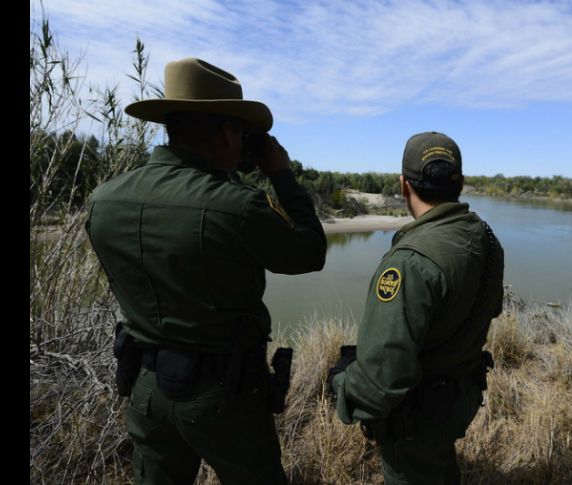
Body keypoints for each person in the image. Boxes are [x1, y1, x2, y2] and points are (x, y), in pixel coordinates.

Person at [85, 58, 326, 484]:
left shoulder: (106, 200)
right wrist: (282, 175)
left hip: (144, 387)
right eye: (240, 132)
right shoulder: (237, 206)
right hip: (223, 395)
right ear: (226, 131)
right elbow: (309, 253)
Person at [329, 132, 504, 485]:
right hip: (456, 401)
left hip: (417, 420)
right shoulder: (485, 238)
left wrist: (342, 384)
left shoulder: (410, 262)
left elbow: (382, 379)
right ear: (462, 184)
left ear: (403, 186)